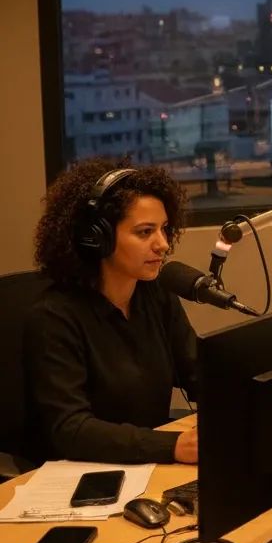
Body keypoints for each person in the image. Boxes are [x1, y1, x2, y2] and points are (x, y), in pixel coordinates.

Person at [24, 159, 199, 465]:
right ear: (97, 237)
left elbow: (196, 371)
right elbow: (71, 429)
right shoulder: (53, 317)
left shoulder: (157, 294)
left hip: (148, 467)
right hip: (80, 478)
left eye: (164, 229)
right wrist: (172, 446)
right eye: (145, 232)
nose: (162, 245)